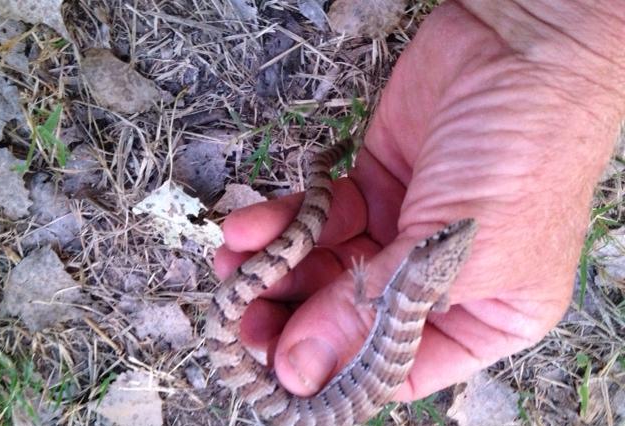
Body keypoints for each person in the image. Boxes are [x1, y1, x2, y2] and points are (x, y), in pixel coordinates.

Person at [215, 1, 625, 402]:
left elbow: (381, 300)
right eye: (432, 241)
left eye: (429, 243)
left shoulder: (395, 301)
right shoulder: (422, 296)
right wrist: (561, 34)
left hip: (321, 402)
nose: (433, 238)